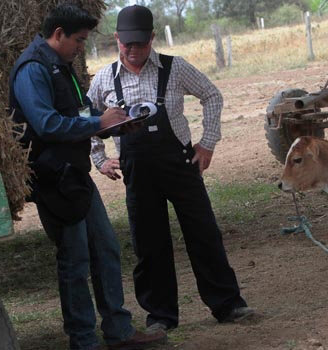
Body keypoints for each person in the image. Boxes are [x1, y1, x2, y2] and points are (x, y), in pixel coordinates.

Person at [88, 4, 254, 333]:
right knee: (149, 244)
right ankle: (160, 316)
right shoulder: (104, 78)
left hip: (179, 164)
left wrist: (207, 142)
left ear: (152, 37)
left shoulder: (174, 68)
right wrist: (100, 158)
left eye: (140, 43)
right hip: (137, 170)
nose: (133, 50)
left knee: (203, 233)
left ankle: (228, 304)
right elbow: (88, 118)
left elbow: (212, 95)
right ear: (117, 40)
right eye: (126, 44)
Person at [8, 4, 166, 350]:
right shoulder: (33, 70)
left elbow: (76, 113)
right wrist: (98, 123)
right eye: (79, 41)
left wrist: (114, 122)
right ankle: (83, 341)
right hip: (53, 178)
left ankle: (119, 332)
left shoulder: (60, 66)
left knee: (105, 248)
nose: (82, 47)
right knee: (75, 259)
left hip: (74, 175)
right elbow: (46, 124)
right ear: (58, 34)